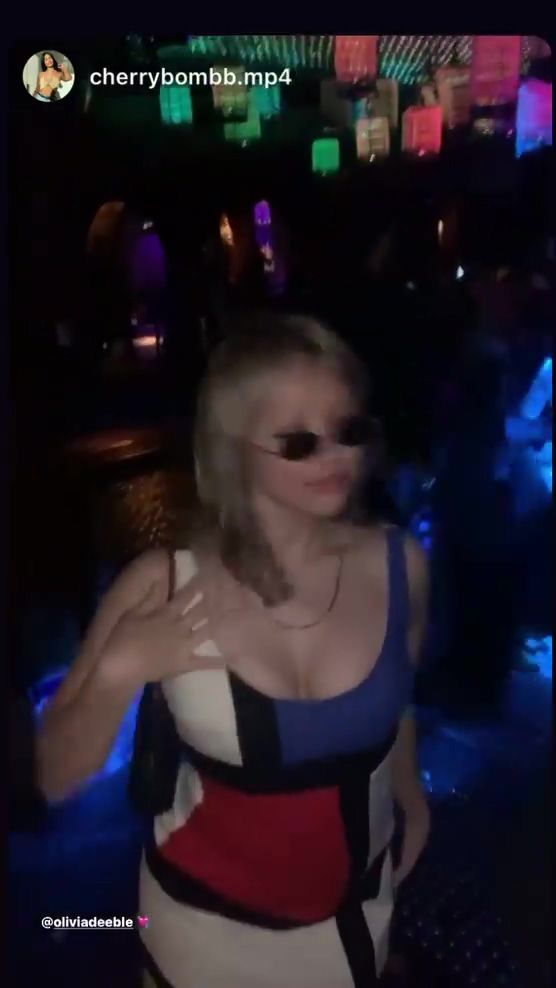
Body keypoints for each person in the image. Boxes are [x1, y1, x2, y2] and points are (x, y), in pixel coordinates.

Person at [36, 314, 430, 987]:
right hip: (198, 940)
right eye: (299, 442)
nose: (337, 456)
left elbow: (399, 700)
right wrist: (120, 668)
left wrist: (412, 799)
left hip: (354, 927)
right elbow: (49, 778)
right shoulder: (163, 584)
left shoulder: (402, 566)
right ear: (233, 449)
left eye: (350, 430)